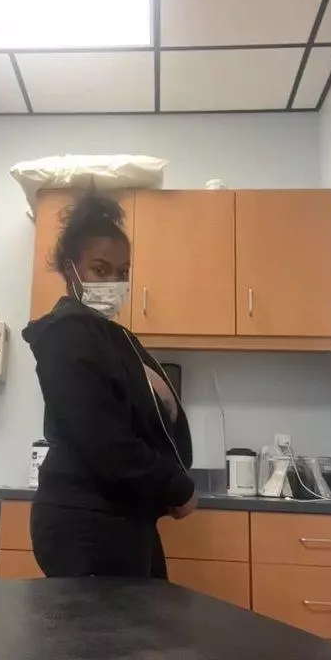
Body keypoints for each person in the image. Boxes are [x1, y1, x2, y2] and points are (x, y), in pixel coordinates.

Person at [22, 193, 196, 579]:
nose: (114, 283)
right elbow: (104, 439)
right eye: (100, 270)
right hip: (85, 521)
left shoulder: (114, 338)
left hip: (124, 516)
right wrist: (175, 485)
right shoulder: (65, 336)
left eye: (122, 272)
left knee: (146, 614)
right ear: (70, 270)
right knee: (112, 621)